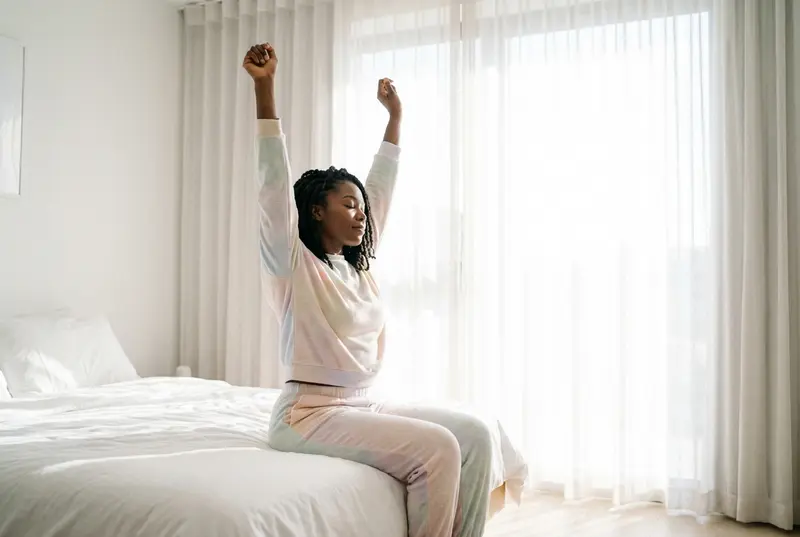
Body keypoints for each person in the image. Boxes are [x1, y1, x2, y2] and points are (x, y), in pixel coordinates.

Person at [243, 42, 493, 537]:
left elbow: (381, 187)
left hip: (361, 402)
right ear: (317, 210)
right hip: (307, 414)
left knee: (477, 436)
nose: (361, 214)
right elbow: (273, 187)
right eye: (349, 205)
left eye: (362, 206)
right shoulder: (291, 265)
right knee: (439, 448)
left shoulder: (357, 269)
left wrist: (394, 119)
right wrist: (265, 90)